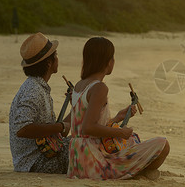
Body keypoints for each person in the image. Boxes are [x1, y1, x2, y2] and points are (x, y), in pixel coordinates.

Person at [67, 37, 169, 180]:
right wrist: (120, 133)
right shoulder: (99, 88)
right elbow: (88, 128)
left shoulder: (79, 85)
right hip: (94, 162)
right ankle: (139, 171)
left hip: (77, 160)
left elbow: (86, 126)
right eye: (112, 58)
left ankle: (135, 169)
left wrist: (117, 118)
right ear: (108, 62)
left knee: (132, 139)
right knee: (163, 145)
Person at [9, 32, 71, 173]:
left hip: (44, 155)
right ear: (49, 62)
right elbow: (22, 129)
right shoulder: (33, 90)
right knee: (85, 147)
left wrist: (77, 108)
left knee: (83, 142)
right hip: (34, 162)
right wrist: (59, 127)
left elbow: (57, 136)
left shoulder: (38, 86)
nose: (57, 58)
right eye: (56, 54)